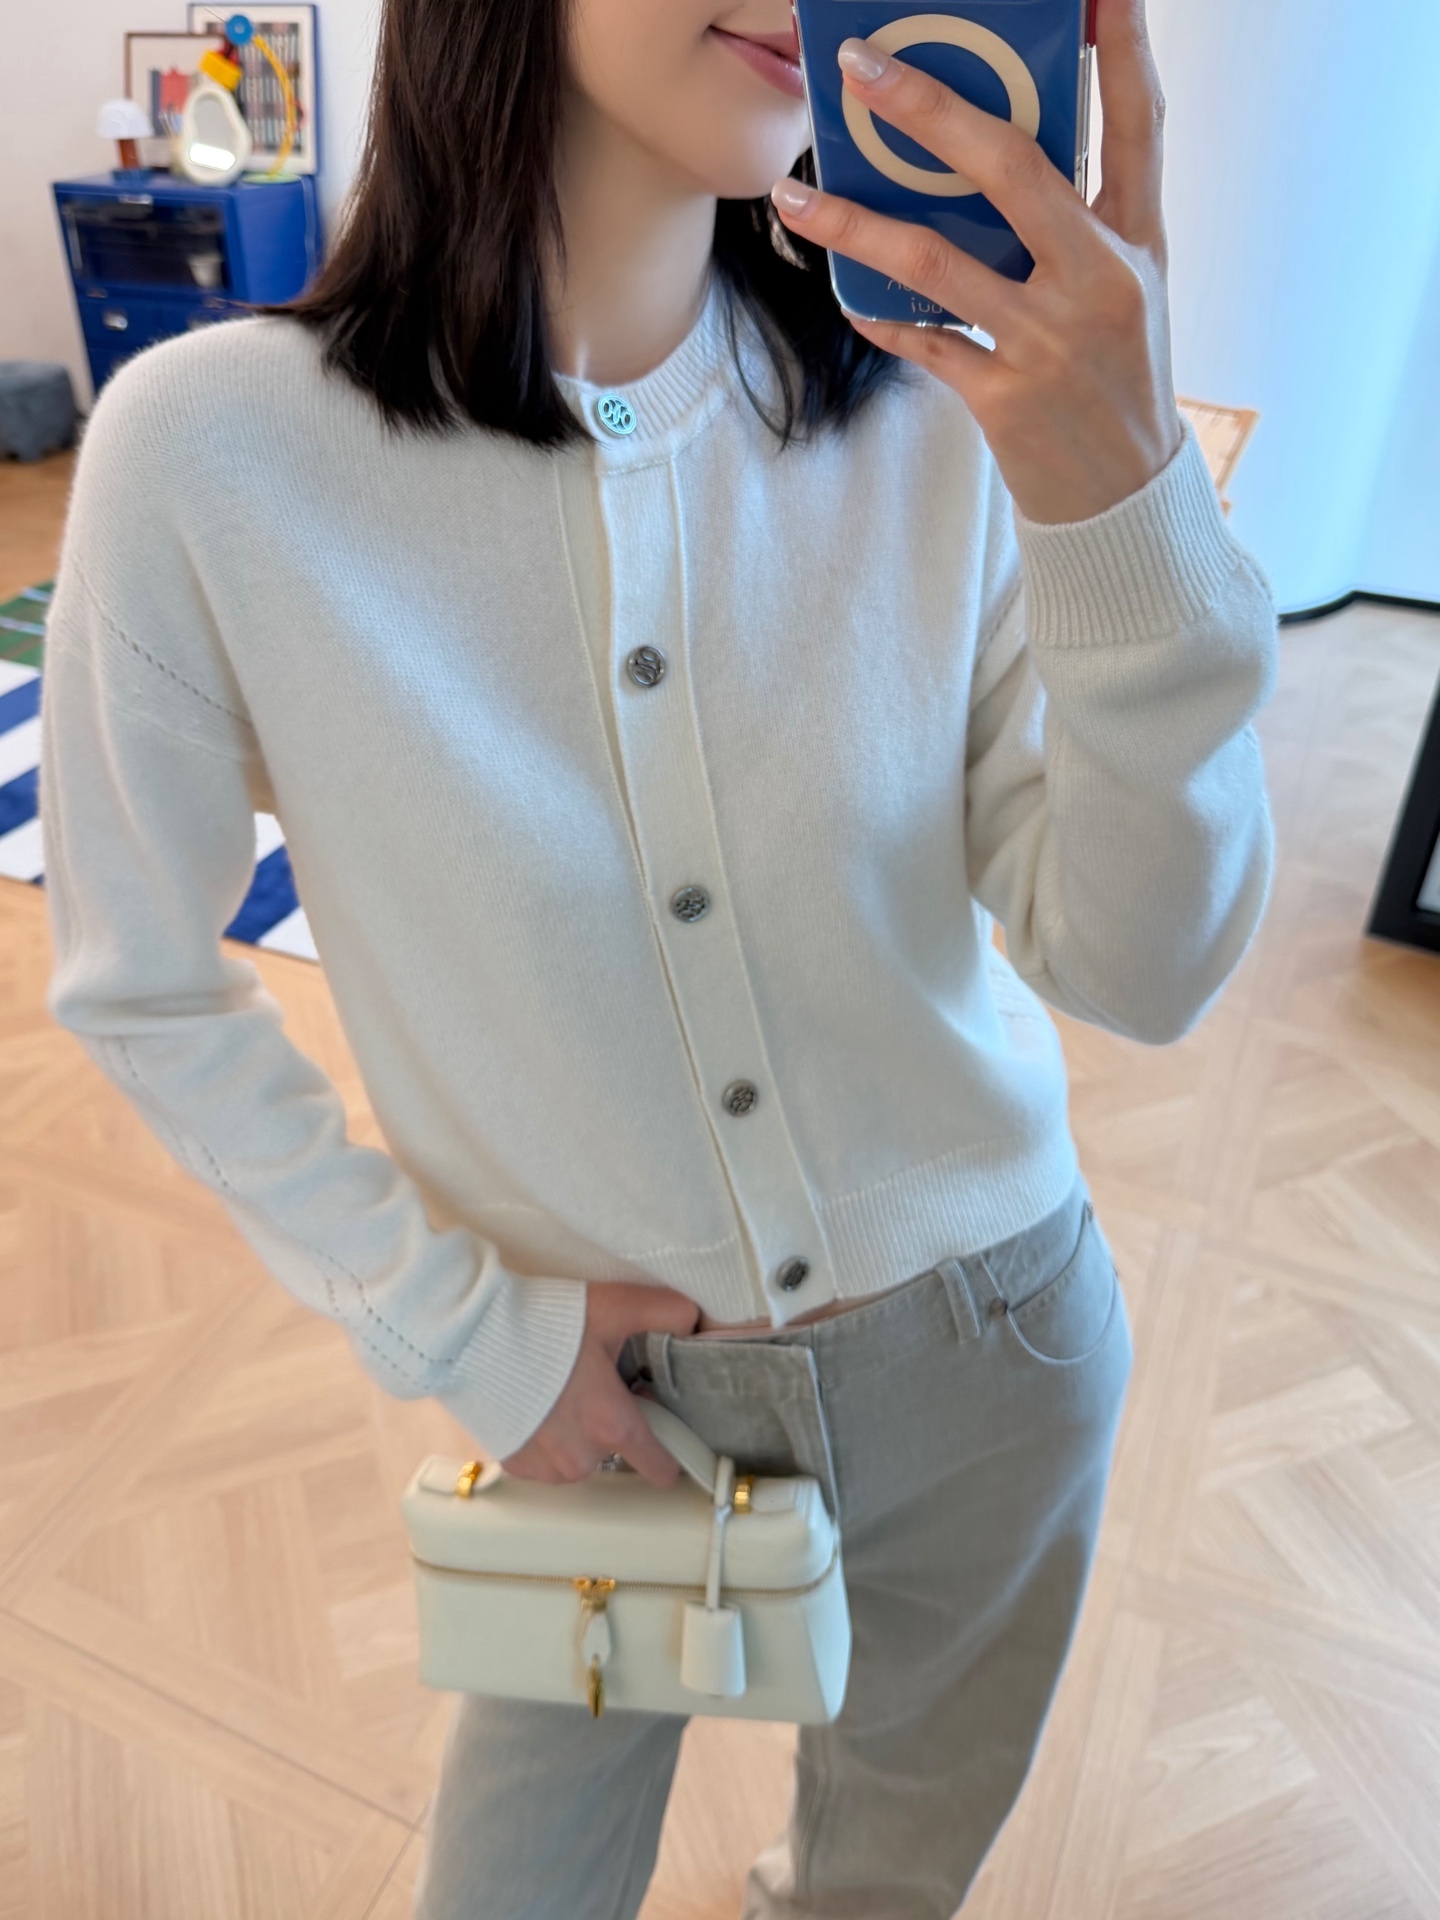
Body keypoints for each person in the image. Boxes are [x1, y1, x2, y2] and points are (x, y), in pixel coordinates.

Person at [39, 0, 1277, 1912]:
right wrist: (466, 1334)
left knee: (885, 1883)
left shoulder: (942, 412)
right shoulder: (210, 457)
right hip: (599, 1410)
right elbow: (141, 983)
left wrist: (1123, 500)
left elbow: (1148, 965)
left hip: (1003, 1351)